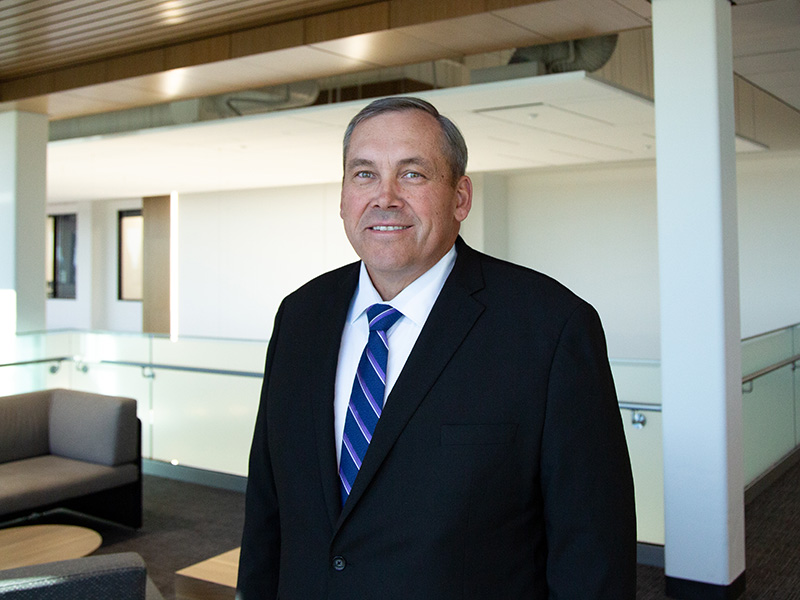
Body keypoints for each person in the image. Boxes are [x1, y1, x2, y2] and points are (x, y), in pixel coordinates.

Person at [237, 96, 636, 599]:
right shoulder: (299, 317)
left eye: (412, 174)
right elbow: (267, 510)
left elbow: (592, 550)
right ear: (342, 197)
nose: (384, 197)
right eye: (364, 175)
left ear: (460, 197)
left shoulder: (550, 329)